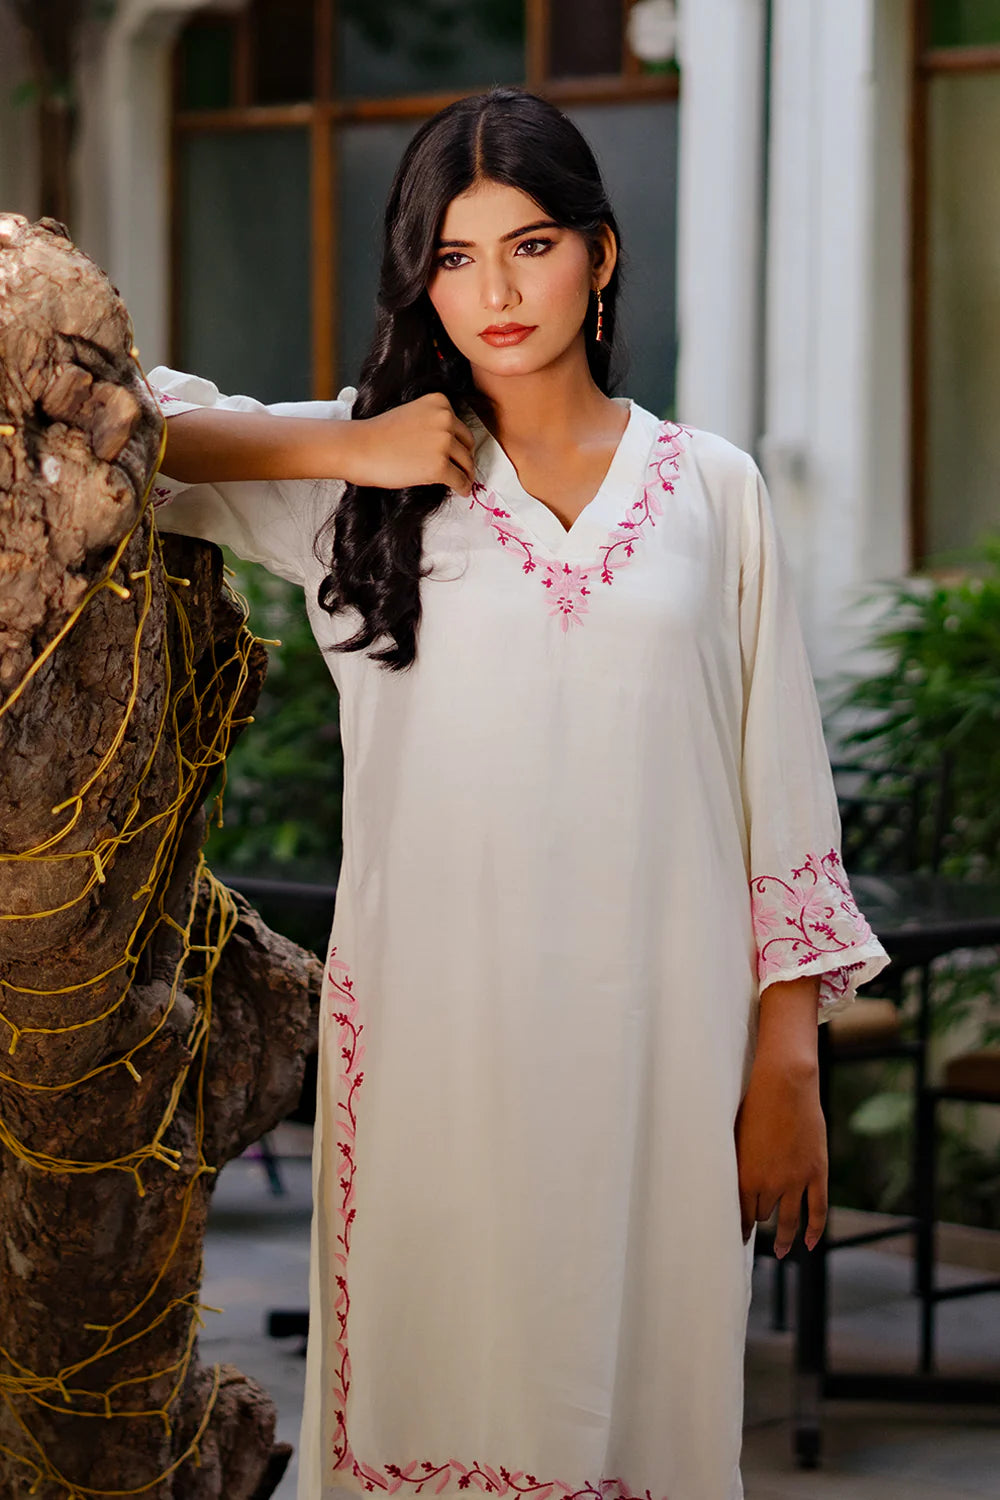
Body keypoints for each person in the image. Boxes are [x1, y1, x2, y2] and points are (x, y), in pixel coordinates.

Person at [149, 87, 888, 1500]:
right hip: (434, 1040)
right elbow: (110, 431)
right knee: (437, 1386)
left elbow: (780, 782)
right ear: (419, 278)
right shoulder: (358, 480)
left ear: (600, 256)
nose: (495, 292)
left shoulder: (712, 490)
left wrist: (788, 1054)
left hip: (661, 1047)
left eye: (532, 246)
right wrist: (343, 446)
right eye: (455, 256)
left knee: (641, 1395)